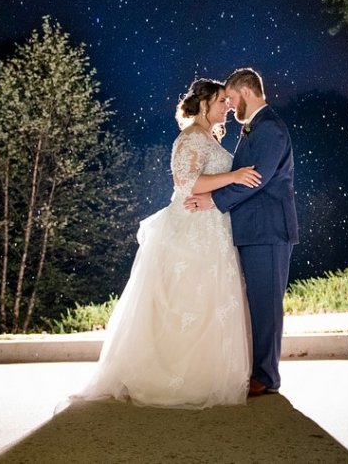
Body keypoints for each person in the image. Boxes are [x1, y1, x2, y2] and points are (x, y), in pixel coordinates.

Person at [73, 78, 259, 409]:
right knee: (186, 301)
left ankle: (209, 375)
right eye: (220, 102)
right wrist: (233, 176)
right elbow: (186, 182)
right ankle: (172, 378)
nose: (226, 108)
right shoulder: (188, 139)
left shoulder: (210, 139)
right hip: (190, 230)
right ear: (203, 105)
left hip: (213, 227)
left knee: (214, 301)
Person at [186, 67, 298, 397]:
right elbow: (243, 176)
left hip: (268, 230)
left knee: (266, 304)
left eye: (232, 99)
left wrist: (212, 201)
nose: (230, 107)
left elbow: (255, 179)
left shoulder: (270, 129)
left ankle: (266, 376)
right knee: (256, 303)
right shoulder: (255, 128)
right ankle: (258, 370)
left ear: (247, 92)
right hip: (253, 229)